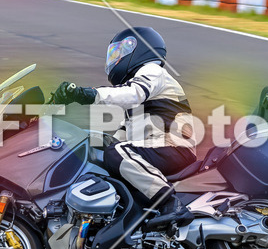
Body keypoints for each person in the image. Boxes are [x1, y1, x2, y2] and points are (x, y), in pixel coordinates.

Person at [49, 27, 195, 227]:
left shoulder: (153, 71)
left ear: (141, 49)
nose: (116, 58)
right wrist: (75, 137)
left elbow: (133, 93)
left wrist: (87, 94)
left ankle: (170, 203)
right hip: (153, 147)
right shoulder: (136, 99)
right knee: (104, 154)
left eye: (121, 51)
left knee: (117, 153)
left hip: (173, 147)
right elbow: (119, 136)